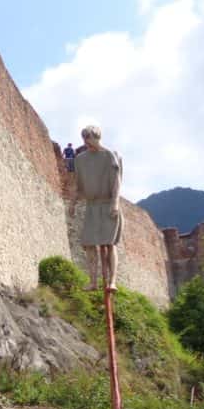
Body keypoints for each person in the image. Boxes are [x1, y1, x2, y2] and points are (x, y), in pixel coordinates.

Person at [69, 125, 123, 291]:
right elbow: (78, 185)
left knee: (109, 244)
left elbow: (117, 183)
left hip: (108, 204)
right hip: (92, 206)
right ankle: (93, 281)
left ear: (97, 137)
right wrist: (72, 203)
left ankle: (112, 281)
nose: (86, 142)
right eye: (84, 138)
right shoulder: (80, 159)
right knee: (89, 243)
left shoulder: (110, 155)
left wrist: (115, 202)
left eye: (89, 138)